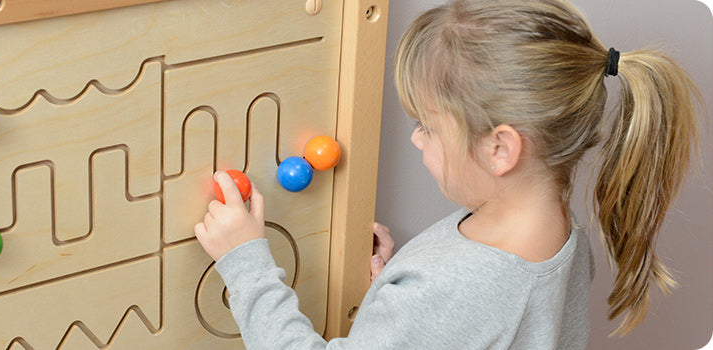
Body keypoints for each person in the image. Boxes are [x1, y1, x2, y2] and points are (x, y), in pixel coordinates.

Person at [193, 0, 700, 348]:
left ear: (500, 148)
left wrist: (246, 263)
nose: (416, 138)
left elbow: (458, 304)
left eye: (428, 127)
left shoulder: (450, 290)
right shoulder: (562, 237)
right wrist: (395, 290)